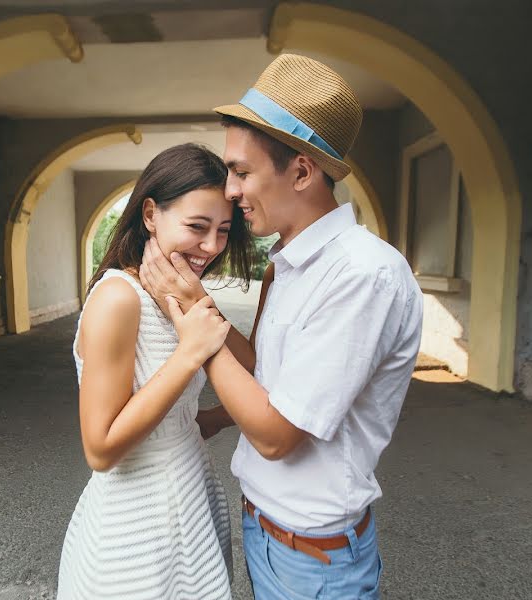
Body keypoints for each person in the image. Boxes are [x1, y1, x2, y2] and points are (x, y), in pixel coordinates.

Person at [140, 54, 424, 599]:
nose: (229, 189)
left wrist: (192, 311)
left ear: (300, 171)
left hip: (314, 560)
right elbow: (268, 371)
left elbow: (275, 436)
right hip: (267, 532)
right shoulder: (289, 260)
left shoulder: (361, 275)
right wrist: (217, 416)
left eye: (242, 172)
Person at [56, 143, 253, 600]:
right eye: (197, 227)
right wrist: (189, 354)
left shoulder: (179, 292)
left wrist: (192, 298)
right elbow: (101, 449)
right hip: (135, 531)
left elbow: (251, 368)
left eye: (223, 230)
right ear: (150, 214)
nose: (211, 246)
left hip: (190, 503)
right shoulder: (119, 299)